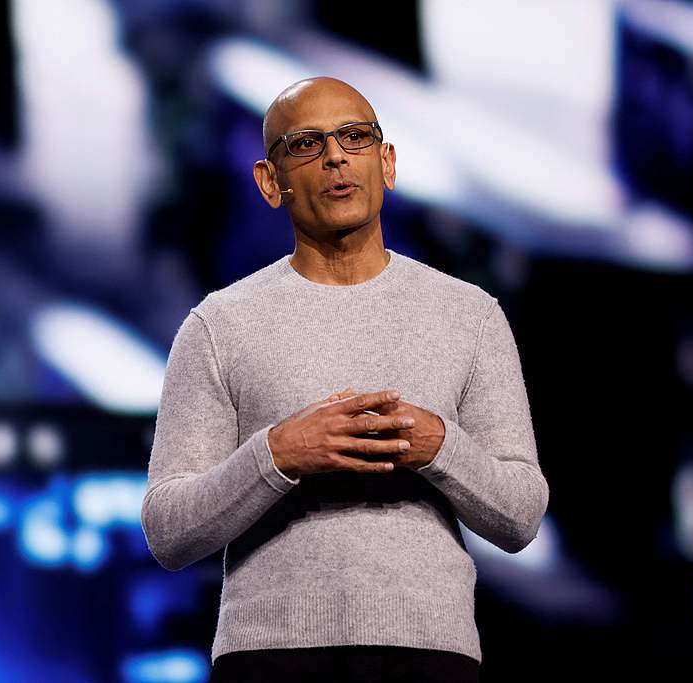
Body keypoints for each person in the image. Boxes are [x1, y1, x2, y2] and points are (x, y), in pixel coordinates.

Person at [140, 76, 549, 683]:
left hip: (429, 654)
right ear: (270, 182)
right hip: (269, 657)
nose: (336, 157)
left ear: (387, 163)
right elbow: (168, 530)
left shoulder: (471, 316)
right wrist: (280, 454)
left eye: (355, 137)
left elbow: (521, 516)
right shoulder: (218, 326)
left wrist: (438, 446)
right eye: (307, 144)